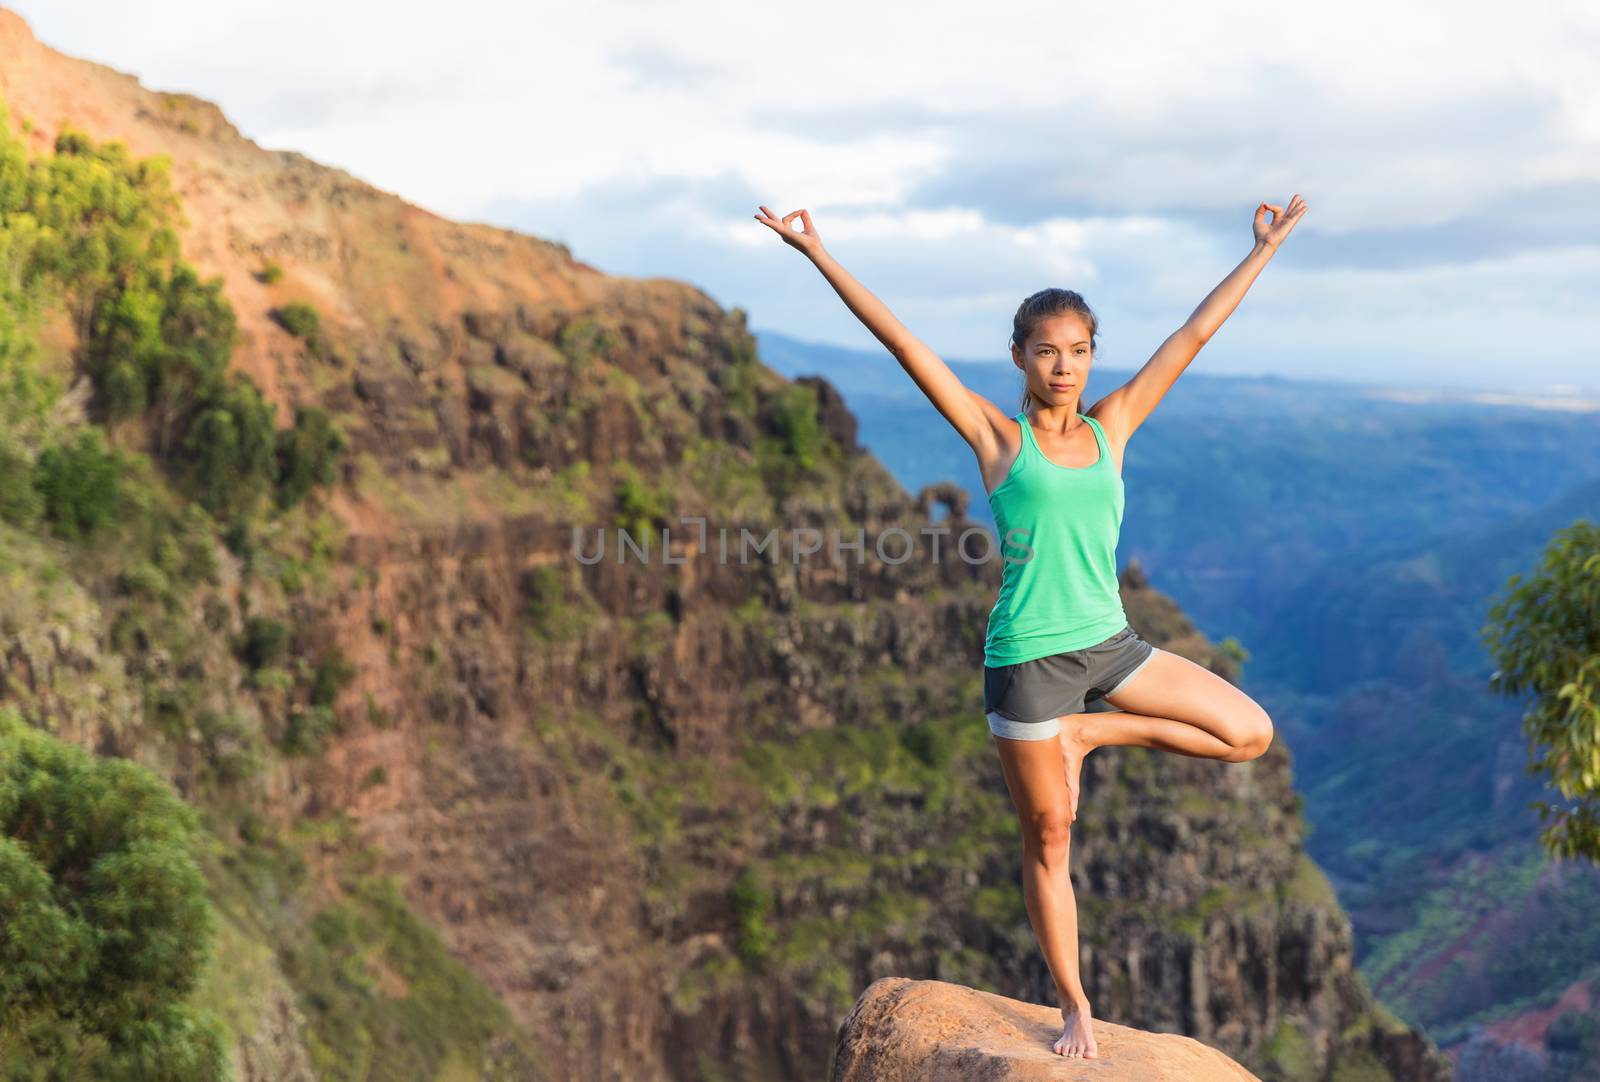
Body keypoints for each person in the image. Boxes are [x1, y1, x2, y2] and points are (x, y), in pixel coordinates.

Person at [755, 194, 1308, 1059]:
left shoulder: (1113, 425)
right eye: (1047, 352)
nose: (1064, 367)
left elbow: (1192, 337)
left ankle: (1090, 734)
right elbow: (903, 345)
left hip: (1111, 646)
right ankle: (1075, 1003)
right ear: (1020, 356)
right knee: (1049, 838)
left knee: (1249, 733)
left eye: (1079, 352)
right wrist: (817, 253)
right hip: (1027, 663)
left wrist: (1265, 249)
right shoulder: (996, 436)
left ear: (1092, 357)